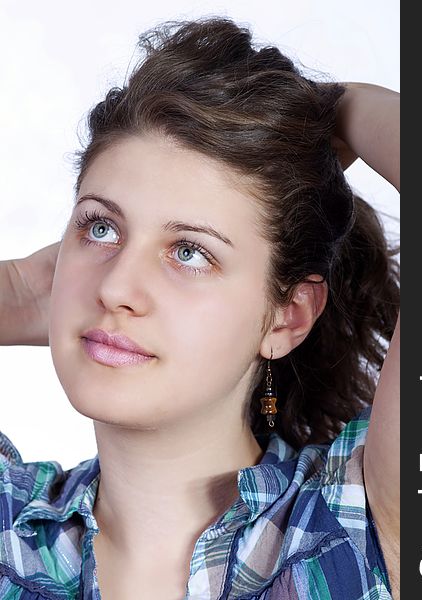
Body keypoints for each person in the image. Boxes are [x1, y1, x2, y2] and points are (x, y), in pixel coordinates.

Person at [0, 16, 399, 600]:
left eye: (189, 252)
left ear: (287, 316)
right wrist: (20, 293)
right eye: (102, 227)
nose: (115, 289)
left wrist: (338, 108)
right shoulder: (15, 537)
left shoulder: (356, 526)